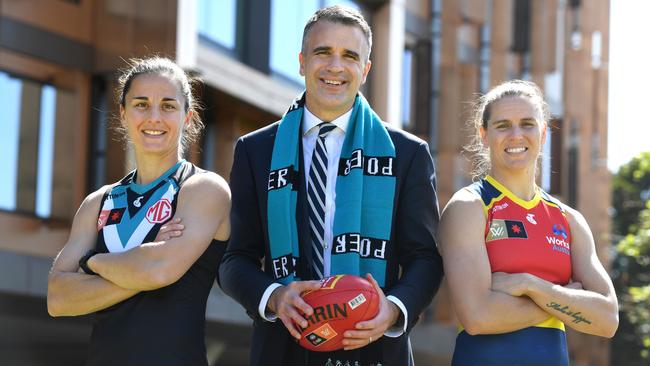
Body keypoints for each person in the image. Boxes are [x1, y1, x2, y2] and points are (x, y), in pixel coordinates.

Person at [219, 5, 443, 366]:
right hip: (284, 349)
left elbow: (425, 259)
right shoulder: (255, 151)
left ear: (365, 69)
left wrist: (393, 309)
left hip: (374, 349)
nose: (335, 66)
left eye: (350, 56)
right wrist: (275, 296)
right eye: (323, 52)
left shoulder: (407, 154)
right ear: (302, 61)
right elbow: (234, 260)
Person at [47, 56, 230, 366]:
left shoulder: (203, 189)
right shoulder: (99, 202)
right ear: (123, 113)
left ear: (188, 117)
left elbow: (158, 270)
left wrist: (90, 262)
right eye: (141, 104)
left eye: (169, 106)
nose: (154, 117)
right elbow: (58, 298)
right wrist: (140, 263)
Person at [439, 80, 618, 365]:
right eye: (502, 125)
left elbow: (607, 319)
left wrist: (530, 284)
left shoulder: (568, 219)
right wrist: (567, 300)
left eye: (527, 123)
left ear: (543, 132)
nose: (516, 135)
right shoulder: (470, 207)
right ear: (484, 135)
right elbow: (478, 316)